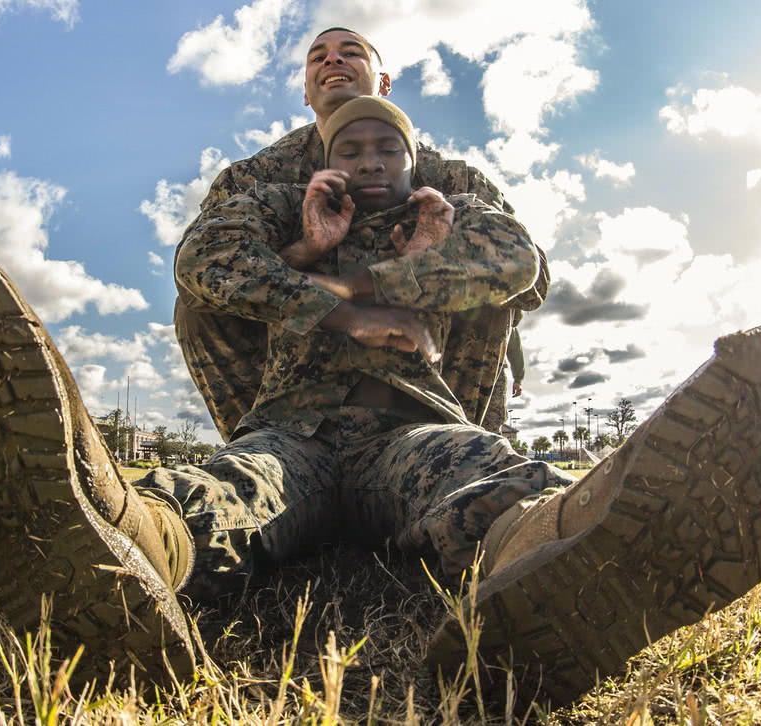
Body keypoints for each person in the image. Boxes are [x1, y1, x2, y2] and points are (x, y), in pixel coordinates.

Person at [0, 96, 761, 708]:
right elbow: (206, 263)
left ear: (410, 156)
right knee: (231, 491)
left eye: (388, 140)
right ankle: (120, 542)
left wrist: (409, 278)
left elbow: (516, 259)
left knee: (476, 483)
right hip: (293, 433)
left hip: (408, 427)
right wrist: (318, 274)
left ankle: (567, 547)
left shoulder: (444, 209)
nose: (373, 156)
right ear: (321, 152)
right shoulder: (294, 212)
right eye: (354, 144)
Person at [175, 27, 537, 440]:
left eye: (351, 53)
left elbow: (532, 279)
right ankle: (262, 444)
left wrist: (426, 267)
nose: (332, 60)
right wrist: (305, 257)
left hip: (429, 378)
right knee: (198, 308)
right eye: (318, 57)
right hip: (292, 380)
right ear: (305, 92)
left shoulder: (450, 178)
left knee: (488, 300)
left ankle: (471, 458)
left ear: (383, 85)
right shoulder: (256, 178)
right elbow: (196, 274)